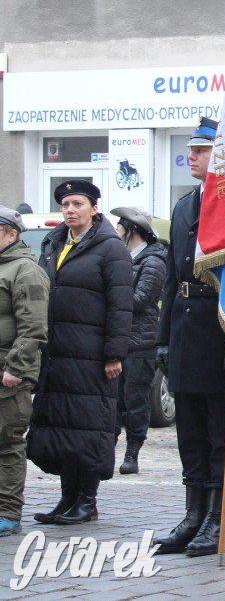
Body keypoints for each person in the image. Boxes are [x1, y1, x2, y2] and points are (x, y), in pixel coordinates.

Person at [154, 117, 225, 556]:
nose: (191, 156)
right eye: (191, 150)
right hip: (185, 330)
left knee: (221, 432)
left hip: (222, 332)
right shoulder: (182, 206)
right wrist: (163, 338)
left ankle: (217, 516)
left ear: (221, 156)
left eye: (200, 150)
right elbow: (172, 280)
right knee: (190, 430)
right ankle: (192, 514)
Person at [28, 180, 132, 525]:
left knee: (89, 427)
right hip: (58, 352)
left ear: (94, 208)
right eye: (65, 205)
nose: (70, 210)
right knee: (62, 427)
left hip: (91, 355)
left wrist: (114, 352)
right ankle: (67, 499)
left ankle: (86, 501)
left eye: (77, 204)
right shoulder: (54, 242)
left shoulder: (109, 248)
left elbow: (120, 305)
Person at [0, 206, 48, 537]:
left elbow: (33, 327)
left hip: (8, 374)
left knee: (7, 443)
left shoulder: (25, 271)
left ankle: (7, 513)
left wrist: (15, 369)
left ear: (11, 234)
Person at [110, 206, 167, 475]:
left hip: (140, 342)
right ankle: (106, 448)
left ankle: (132, 451)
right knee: (111, 399)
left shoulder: (153, 260)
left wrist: (108, 301)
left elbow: (142, 298)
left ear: (131, 230)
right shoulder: (121, 258)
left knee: (135, 400)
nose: (116, 231)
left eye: (119, 227)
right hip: (117, 339)